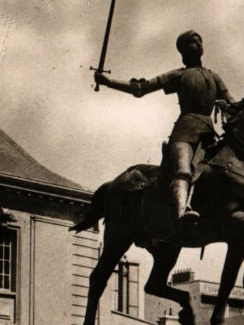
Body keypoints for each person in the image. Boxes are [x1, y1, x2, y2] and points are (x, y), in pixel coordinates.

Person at [94, 30, 234, 223]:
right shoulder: (179, 75)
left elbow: (233, 106)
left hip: (209, 138)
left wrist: (230, 107)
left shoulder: (214, 77)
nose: (199, 43)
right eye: (193, 41)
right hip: (184, 134)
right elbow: (141, 88)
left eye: (200, 40)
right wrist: (109, 82)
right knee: (183, 170)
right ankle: (181, 213)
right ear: (184, 50)